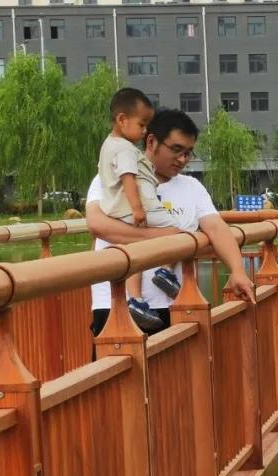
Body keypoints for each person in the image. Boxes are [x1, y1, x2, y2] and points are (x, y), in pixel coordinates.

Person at [86, 108, 256, 338]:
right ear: (152, 141)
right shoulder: (113, 178)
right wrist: (169, 238)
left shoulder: (191, 187)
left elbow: (216, 228)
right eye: (176, 150)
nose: (183, 159)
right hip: (115, 303)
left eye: (188, 153)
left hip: (175, 304)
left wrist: (237, 270)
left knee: (175, 372)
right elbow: (97, 225)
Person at [96, 87, 183, 331]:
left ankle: (135, 298)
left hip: (115, 208)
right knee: (178, 234)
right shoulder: (124, 149)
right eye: (142, 125)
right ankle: (165, 272)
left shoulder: (108, 145)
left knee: (136, 249)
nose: (144, 131)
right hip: (133, 206)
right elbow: (128, 178)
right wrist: (137, 209)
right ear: (122, 120)